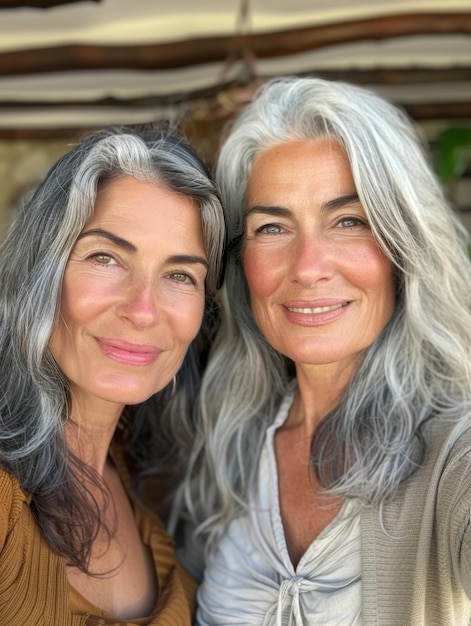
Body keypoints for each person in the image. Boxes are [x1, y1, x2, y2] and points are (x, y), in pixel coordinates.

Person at [175, 77, 471, 625]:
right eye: (272, 226)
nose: (308, 265)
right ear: (241, 263)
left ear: (403, 245)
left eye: (349, 221)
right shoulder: (228, 439)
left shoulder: (454, 454)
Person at [0, 124, 225, 625]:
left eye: (179, 275)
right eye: (106, 258)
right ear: (43, 274)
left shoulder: (146, 487)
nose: (144, 310)